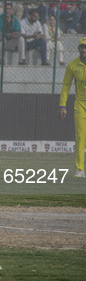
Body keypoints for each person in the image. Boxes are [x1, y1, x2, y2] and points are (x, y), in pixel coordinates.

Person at [59, 37, 86, 177]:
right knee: (81, 137)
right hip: (80, 104)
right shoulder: (73, 65)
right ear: (78, 49)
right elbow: (66, 85)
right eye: (82, 47)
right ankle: (80, 168)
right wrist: (62, 105)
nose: (84, 50)